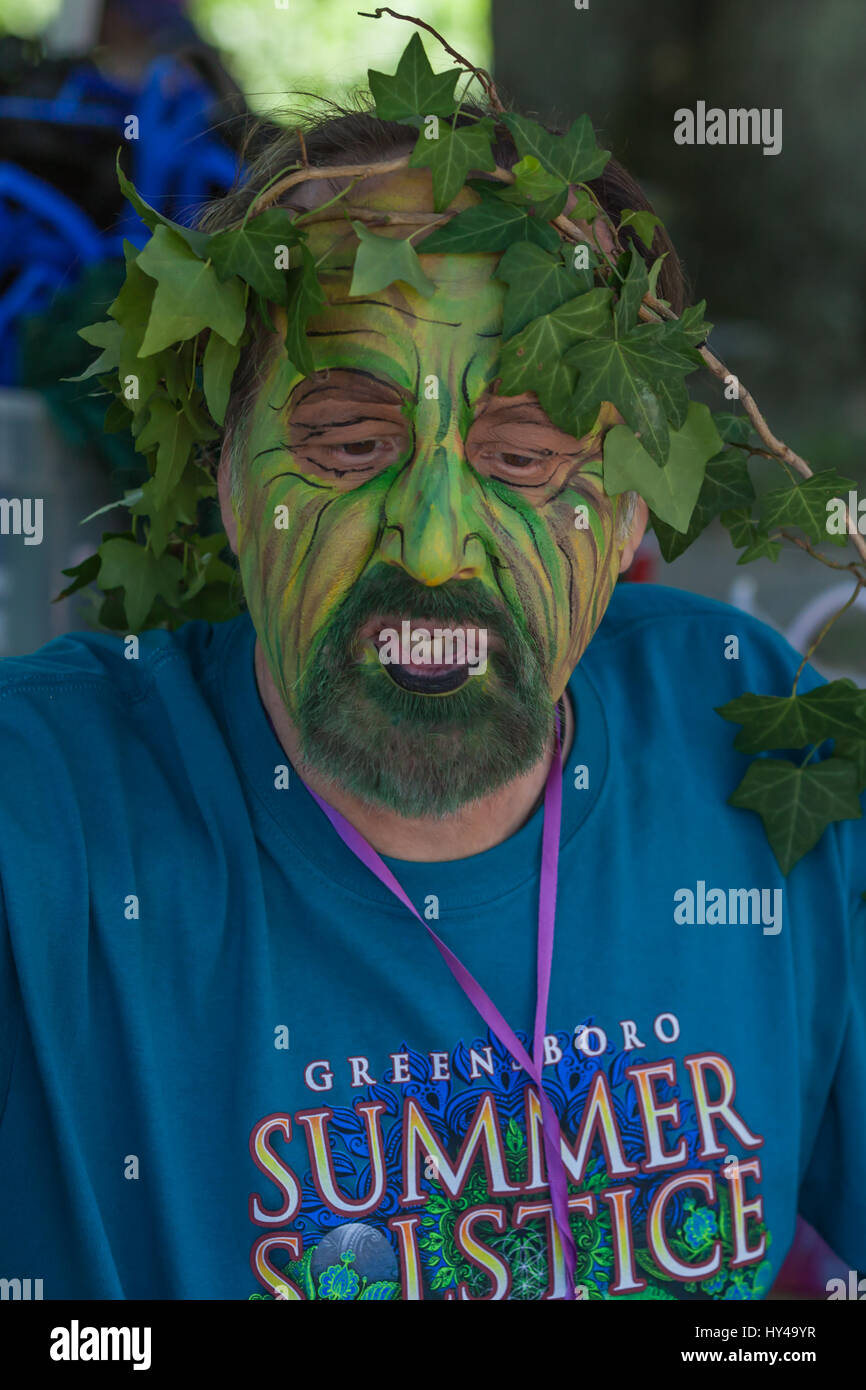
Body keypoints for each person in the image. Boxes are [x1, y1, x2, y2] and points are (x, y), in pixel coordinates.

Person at [0, 102, 862, 1304]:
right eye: (349, 443)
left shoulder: (748, 727)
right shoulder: (49, 803)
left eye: (523, 459)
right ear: (223, 476)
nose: (438, 542)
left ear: (626, 517)